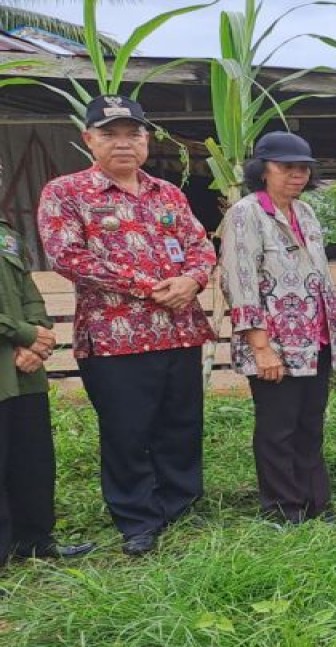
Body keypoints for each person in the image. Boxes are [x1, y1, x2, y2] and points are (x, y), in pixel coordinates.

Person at [39, 95, 216, 556]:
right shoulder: (67, 192)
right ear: (89, 139)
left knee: (181, 424)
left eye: (132, 133)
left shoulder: (168, 192)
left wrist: (192, 280)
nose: (123, 143)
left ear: (146, 139)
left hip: (179, 330)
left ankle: (180, 505)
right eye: (110, 134)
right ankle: (138, 519)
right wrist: (147, 286)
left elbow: (200, 244)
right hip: (115, 337)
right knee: (127, 431)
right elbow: (67, 256)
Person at [219, 132, 336, 525]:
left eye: (303, 168)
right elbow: (239, 281)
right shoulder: (245, 213)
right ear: (263, 170)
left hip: (316, 338)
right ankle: (282, 508)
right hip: (274, 341)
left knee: (310, 424)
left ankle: (316, 502)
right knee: (278, 428)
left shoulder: (305, 212)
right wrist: (260, 347)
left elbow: (319, 275)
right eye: (286, 167)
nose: (297, 174)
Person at [0, 159, 96, 565]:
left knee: (32, 457)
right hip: (10, 355)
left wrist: (37, 336)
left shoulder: (6, 235)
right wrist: (23, 335)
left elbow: (28, 291)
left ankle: (34, 539)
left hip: (22, 371)